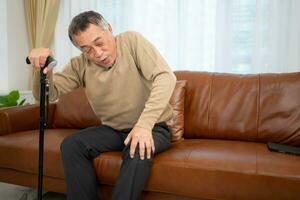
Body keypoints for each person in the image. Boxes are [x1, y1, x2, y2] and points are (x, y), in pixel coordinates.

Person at [27, 10, 176, 200]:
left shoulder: (131, 42)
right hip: (114, 130)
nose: (97, 53)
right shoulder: (79, 65)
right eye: (87, 49)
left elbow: (165, 77)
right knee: (72, 145)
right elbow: (45, 95)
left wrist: (144, 125)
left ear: (110, 30)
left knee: (138, 146)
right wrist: (42, 69)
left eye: (99, 42)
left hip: (153, 128)